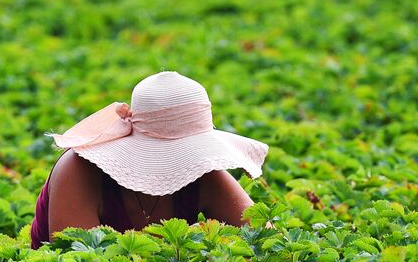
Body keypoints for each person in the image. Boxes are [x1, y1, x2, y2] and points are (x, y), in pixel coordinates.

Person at [29, 70, 270, 249]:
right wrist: (182, 241)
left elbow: (265, 238)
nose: (185, 160)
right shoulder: (79, 170)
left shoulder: (202, 174)